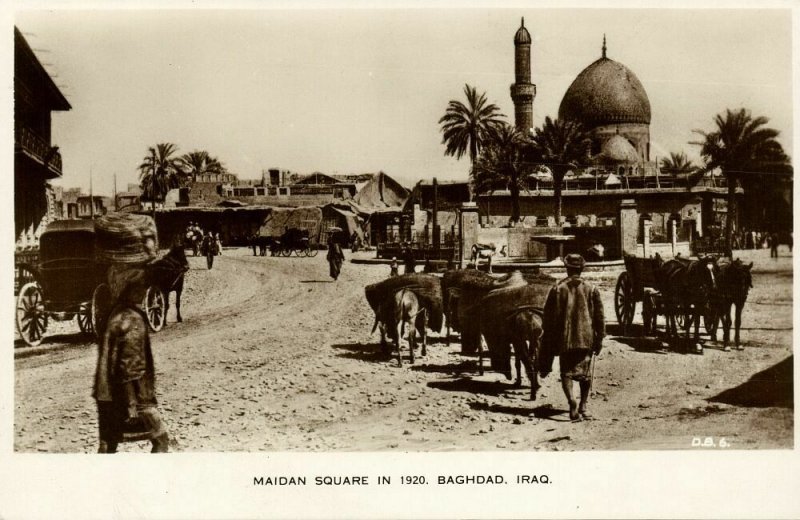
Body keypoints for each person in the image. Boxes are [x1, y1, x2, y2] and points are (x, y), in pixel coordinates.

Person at [94, 265, 169, 453]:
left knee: (107, 444)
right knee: (161, 440)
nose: (144, 291)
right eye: (140, 287)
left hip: (105, 394)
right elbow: (129, 366)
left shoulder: (115, 313)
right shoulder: (133, 319)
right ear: (130, 289)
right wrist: (132, 404)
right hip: (135, 397)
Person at [539, 254, 605, 422]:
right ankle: (583, 405)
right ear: (582, 269)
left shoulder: (557, 288)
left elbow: (547, 317)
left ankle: (572, 402)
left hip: (565, 339)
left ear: (567, 269)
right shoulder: (592, 288)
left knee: (566, 373)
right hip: (586, 338)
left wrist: (550, 338)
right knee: (585, 374)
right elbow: (600, 317)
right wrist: (599, 339)